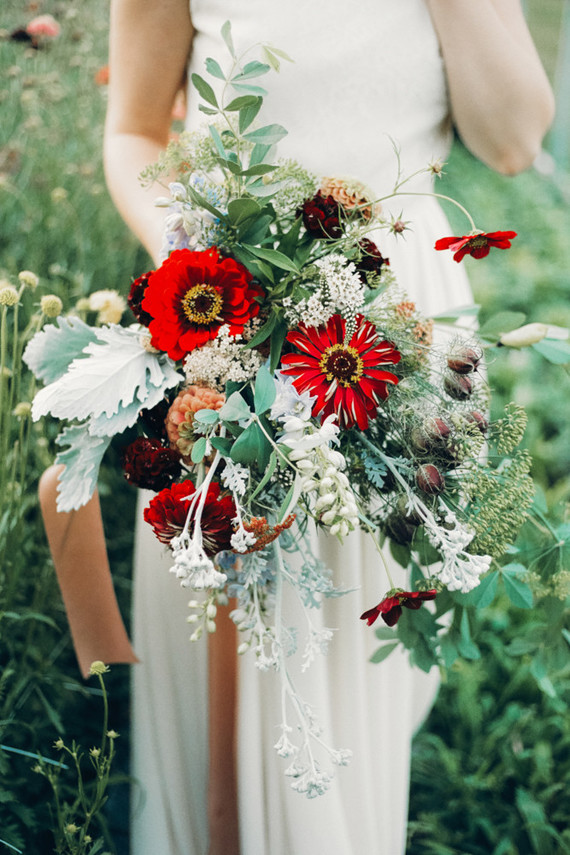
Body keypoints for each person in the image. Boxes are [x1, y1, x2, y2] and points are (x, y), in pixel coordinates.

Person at [94, 2, 555, 854]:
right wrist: (203, 267)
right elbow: (132, 130)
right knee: (222, 657)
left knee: (353, 664)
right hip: (227, 314)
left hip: (396, 330)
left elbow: (514, 139)